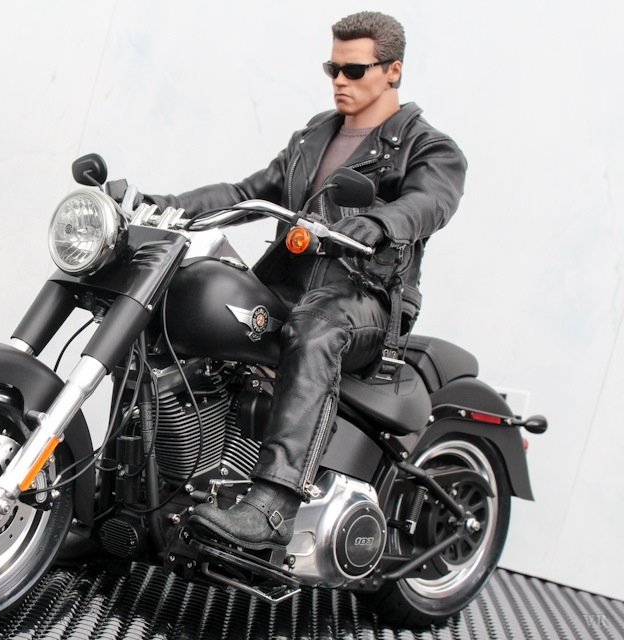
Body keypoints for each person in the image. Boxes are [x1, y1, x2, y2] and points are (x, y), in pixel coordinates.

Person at [145, 11, 467, 550]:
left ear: (393, 70)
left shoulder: (427, 146)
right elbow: (245, 193)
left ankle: (274, 505)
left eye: (354, 70)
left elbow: (430, 202)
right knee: (185, 298)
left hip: (363, 299)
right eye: (332, 68)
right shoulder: (315, 136)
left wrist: (381, 222)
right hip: (288, 287)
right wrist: (166, 207)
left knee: (316, 328)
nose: (339, 80)